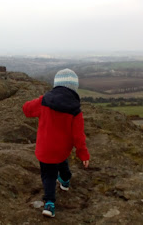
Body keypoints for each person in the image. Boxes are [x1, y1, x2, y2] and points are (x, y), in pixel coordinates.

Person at [22, 68, 90, 218]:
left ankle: (49, 204)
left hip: (45, 148)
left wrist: (37, 101)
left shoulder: (45, 100)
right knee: (61, 162)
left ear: (56, 85)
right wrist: (83, 153)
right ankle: (65, 180)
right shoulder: (75, 110)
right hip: (62, 149)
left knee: (48, 176)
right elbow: (78, 135)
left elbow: (27, 109)